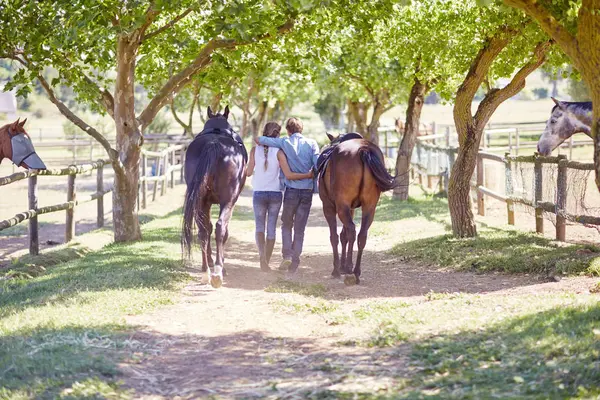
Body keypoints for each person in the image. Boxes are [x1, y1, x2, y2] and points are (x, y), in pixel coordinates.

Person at [255, 117, 319, 273]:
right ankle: (295, 262)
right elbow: (317, 165)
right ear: (301, 129)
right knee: (299, 228)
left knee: (286, 225)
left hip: (291, 191)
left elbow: (258, 139)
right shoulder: (312, 144)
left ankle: (287, 256)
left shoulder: (284, 142)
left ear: (288, 130)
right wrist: (310, 175)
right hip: (307, 191)